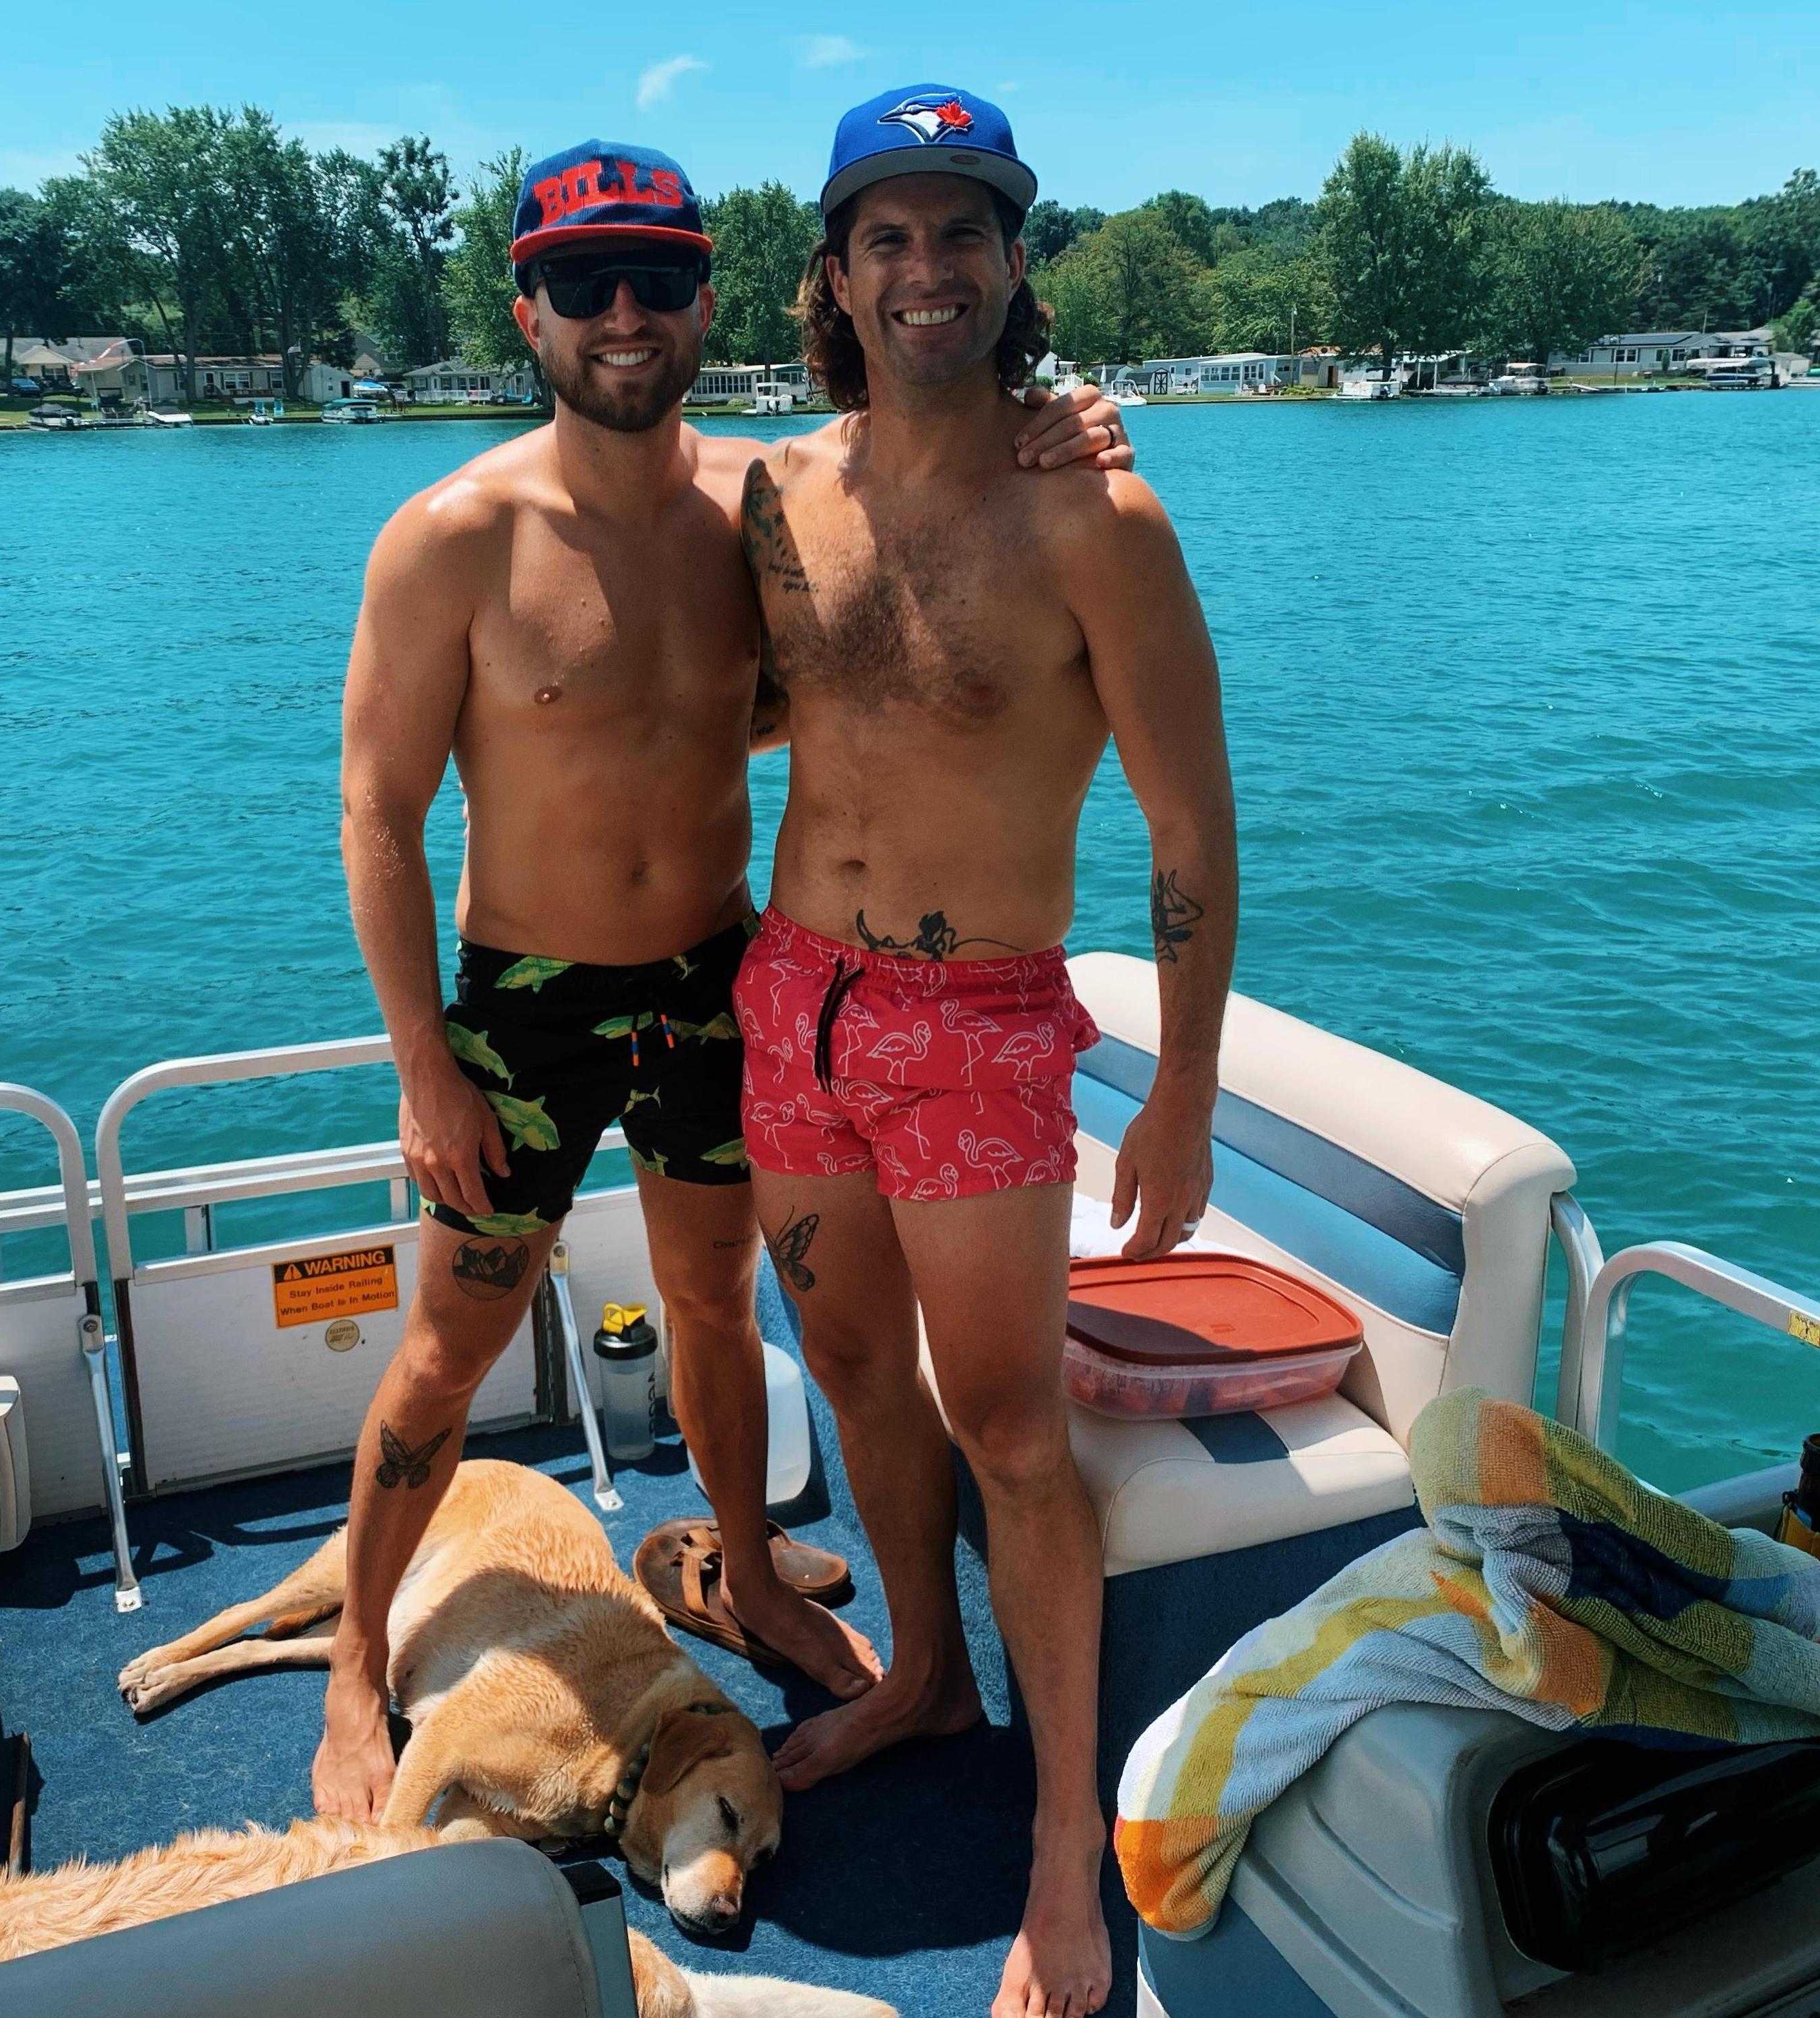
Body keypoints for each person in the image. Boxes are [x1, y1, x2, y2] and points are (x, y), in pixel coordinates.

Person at [319, 136, 1136, 1823]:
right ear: (528, 314)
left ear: (707, 301)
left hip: (718, 981)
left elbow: (916, 525)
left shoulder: (767, 505)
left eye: (661, 279)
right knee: (449, 1347)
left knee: (714, 1301)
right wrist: (424, 1065)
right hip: (527, 1006)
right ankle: (349, 1654)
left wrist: (1072, 418)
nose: (623, 313)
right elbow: (377, 817)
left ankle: (747, 1568)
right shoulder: (451, 538)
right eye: (582, 283)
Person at [733, 86, 1238, 2018]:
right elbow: (741, 691)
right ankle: (927, 1675)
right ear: (838, 272)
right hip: (794, 1000)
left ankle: (1059, 1841)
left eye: (965, 234)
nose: (927, 269)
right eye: (891, 236)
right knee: (857, 1366)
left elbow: (1190, 831)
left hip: (978, 1025)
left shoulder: (1098, 515)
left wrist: (1180, 1089)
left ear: (1015, 266)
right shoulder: (775, 495)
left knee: (1013, 1432)